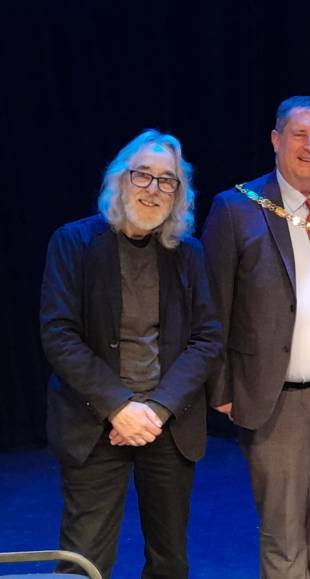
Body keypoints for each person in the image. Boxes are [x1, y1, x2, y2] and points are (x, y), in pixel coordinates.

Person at [201, 95, 310, 579]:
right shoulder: (236, 208)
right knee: (283, 536)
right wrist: (222, 389)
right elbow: (213, 305)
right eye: (300, 134)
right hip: (275, 399)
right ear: (276, 140)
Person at [39, 130, 223, 578]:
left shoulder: (189, 254)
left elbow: (207, 338)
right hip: (95, 421)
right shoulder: (74, 242)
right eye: (143, 175)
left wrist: (155, 410)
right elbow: (59, 335)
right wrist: (119, 407)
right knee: (84, 559)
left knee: (170, 560)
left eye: (167, 180)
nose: (153, 189)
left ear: (178, 194)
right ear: (120, 179)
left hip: (166, 423)